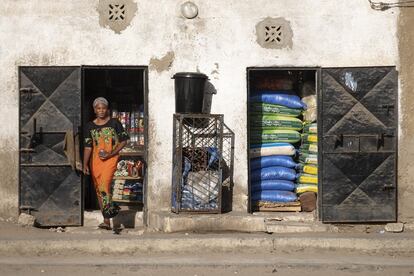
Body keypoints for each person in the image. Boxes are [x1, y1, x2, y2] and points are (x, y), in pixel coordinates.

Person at [83, 97, 129, 230]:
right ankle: (106, 220)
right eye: (98, 108)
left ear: (107, 109)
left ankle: (110, 214)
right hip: (95, 163)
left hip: (110, 160)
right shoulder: (89, 126)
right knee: (99, 191)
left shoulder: (115, 123)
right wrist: (85, 164)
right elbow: (88, 147)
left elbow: (124, 140)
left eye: (103, 108)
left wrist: (111, 154)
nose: (101, 111)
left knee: (104, 187)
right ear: (94, 110)